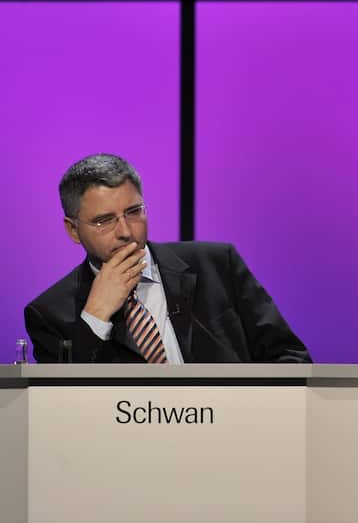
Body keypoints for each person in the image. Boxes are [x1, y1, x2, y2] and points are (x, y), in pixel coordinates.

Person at [25, 153, 312, 364]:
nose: (125, 231)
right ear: (73, 230)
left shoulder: (216, 265)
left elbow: (290, 358)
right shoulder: (50, 314)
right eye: (104, 221)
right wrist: (96, 316)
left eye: (134, 212)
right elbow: (66, 409)